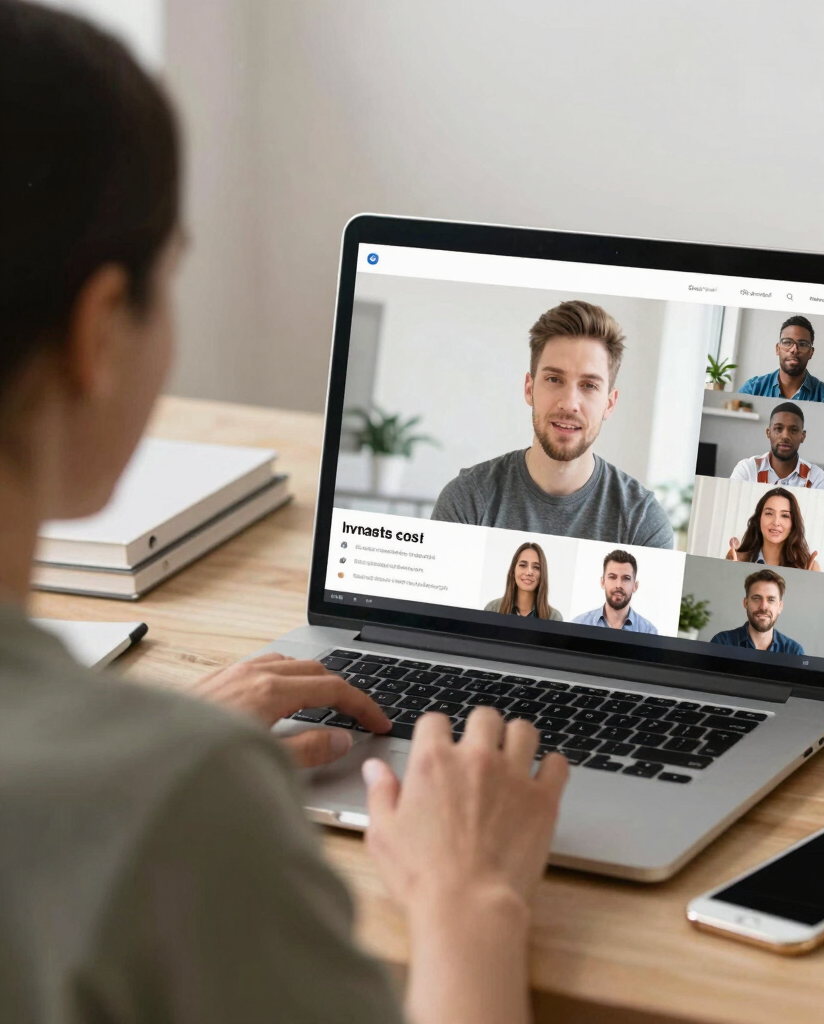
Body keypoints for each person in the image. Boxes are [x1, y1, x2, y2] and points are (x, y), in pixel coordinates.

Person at [0, 6, 568, 1024]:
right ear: (99, 333)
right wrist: (467, 899)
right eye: (170, 277)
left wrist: (150, 752)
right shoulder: (180, 809)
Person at [430, 300, 675, 548]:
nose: (569, 403)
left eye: (589, 385)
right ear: (529, 388)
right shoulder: (468, 500)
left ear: (609, 404)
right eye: (554, 379)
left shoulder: (642, 523)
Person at [737, 315, 824, 404]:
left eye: (803, 344)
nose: (794, 350)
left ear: (811, 352)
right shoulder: (752, 390)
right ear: (777, 349)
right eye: (787, 342)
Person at [730, 402, 824, 489]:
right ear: (768, 433)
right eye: (778, 429)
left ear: (802, 436)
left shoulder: (817, 479)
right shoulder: (747, 470)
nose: (785, 436)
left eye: (794, 430)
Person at [710, 569, 805, 655]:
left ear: (780, 607)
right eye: (756, 598)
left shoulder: (794, 652)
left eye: (771, 599)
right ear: (745, 603)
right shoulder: (722, 643)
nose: (763, 607)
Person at [725, 487, 821, 571]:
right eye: (769, 513)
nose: (776, 522)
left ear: (793, 523)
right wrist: (732, 573)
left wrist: (807, 581)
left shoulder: (809, 568)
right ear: (759, 519)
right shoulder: (738, 561)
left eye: (784, 515)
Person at [571, 549, 658, 633]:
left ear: (635, 586)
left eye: (626, 579)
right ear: (603, 582)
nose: (618, 585)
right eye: (612, 577)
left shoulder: (649, 631)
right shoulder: (579, 624)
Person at [484, 541, 563, 619]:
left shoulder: (554, 617)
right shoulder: (492, 609)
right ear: (513, 571)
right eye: (523, 565)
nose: (529, 572)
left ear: (542, 574)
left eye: (536, 567)